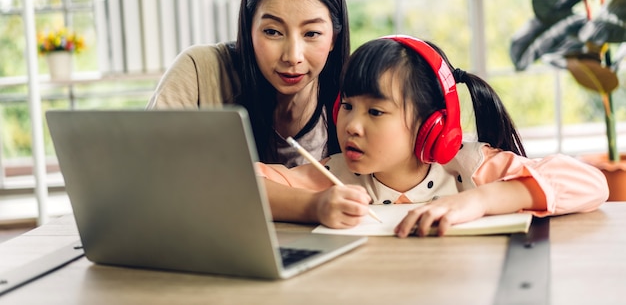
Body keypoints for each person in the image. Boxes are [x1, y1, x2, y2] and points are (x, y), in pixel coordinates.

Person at [256, 35, 609, 237]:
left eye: (375, 112)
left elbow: (592, 183)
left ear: (432, 126)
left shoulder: (468, 168)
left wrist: (480, 201)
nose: (352, 125)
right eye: (347, 106)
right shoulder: (336, 179)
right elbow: (238, 183)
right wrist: (313, 205)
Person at [147, 0, 350, 169]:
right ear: (249, 29)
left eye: (311, 34)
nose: (293, 57)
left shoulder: (354, 98)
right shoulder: (201, 71)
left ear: (333, 38)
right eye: (272, 31)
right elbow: (151, 166)